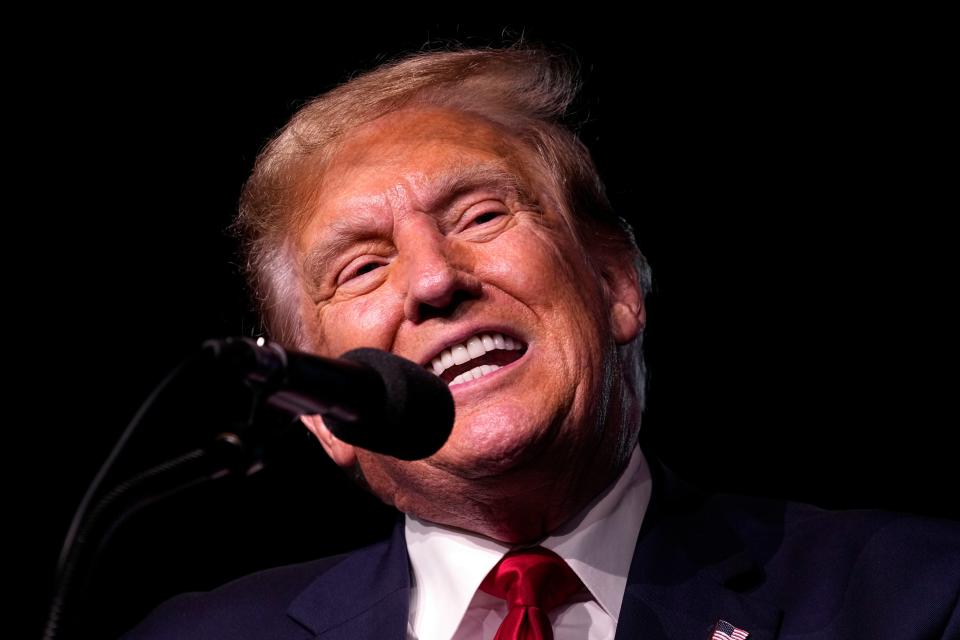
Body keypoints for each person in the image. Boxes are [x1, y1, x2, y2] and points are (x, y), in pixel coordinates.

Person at [126, 46, 959, 639]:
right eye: (362, 267)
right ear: (318, 413)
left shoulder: (912, 594)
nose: (431, 282)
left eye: (482, 216)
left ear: (615, 283)